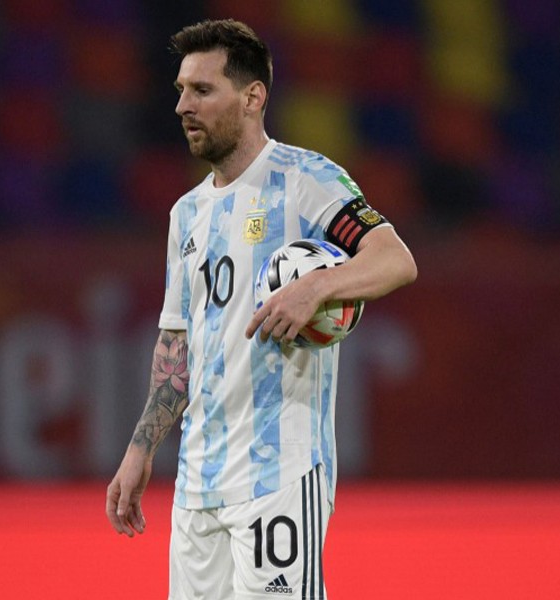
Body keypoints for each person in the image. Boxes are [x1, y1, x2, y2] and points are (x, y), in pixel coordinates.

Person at [106, 18, 417, 599]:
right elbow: (178, 347)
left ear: (252, 98)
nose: (182, 106)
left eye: (201, 90)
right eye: (179, 90)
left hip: (278, 477)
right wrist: (140, 448)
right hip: (199, 484)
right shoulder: (187, 215)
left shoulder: (305, 180)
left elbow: (395, 259)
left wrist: (318, 286)